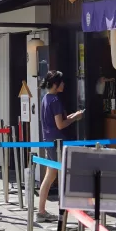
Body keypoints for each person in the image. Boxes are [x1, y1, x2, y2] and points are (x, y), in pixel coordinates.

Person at [36, 70, 84, 222]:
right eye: (61, 82)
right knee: (61, 174)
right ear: (56, 84)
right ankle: (66, 208)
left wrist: (72, 116)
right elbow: (60, 124)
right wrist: (75, 118)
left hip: (48, 139)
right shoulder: (55, 100)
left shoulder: (46, 98)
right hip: (57, 141)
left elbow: (57, 122)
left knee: (50, 175)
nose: (64, 84)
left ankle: (41, 210)